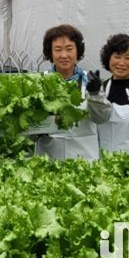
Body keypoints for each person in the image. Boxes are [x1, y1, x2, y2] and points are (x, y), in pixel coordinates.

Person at [35, 24, 99, 161]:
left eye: (69, 49)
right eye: (57, 50)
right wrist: (37, 129)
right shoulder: (39, 81)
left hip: (84, 158)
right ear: (50, 53)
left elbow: (101, 118)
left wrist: (96, 94)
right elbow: (30, 127)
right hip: (49, 157)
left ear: (78, 51)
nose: (64, 55)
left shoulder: (90, 80)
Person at [86, 34, 129, 156]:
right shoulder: (102, 89)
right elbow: (96, 119)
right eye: (117, 57)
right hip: (107, 158)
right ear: (108, 59)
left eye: (128, 58)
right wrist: (94, 93)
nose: (121, 63)